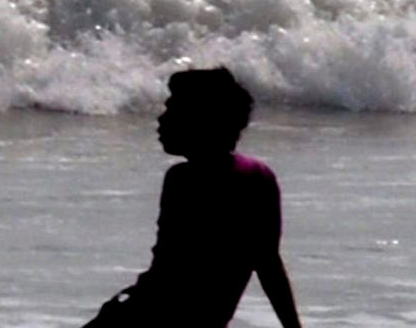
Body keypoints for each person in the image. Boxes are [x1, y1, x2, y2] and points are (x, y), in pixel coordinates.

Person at [87, 68, 301, 328]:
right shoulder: (258, 176)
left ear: (199, 120)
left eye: (172, 109)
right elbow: (268, 263)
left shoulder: (183, 180)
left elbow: (172, 277)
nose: (160, 120)